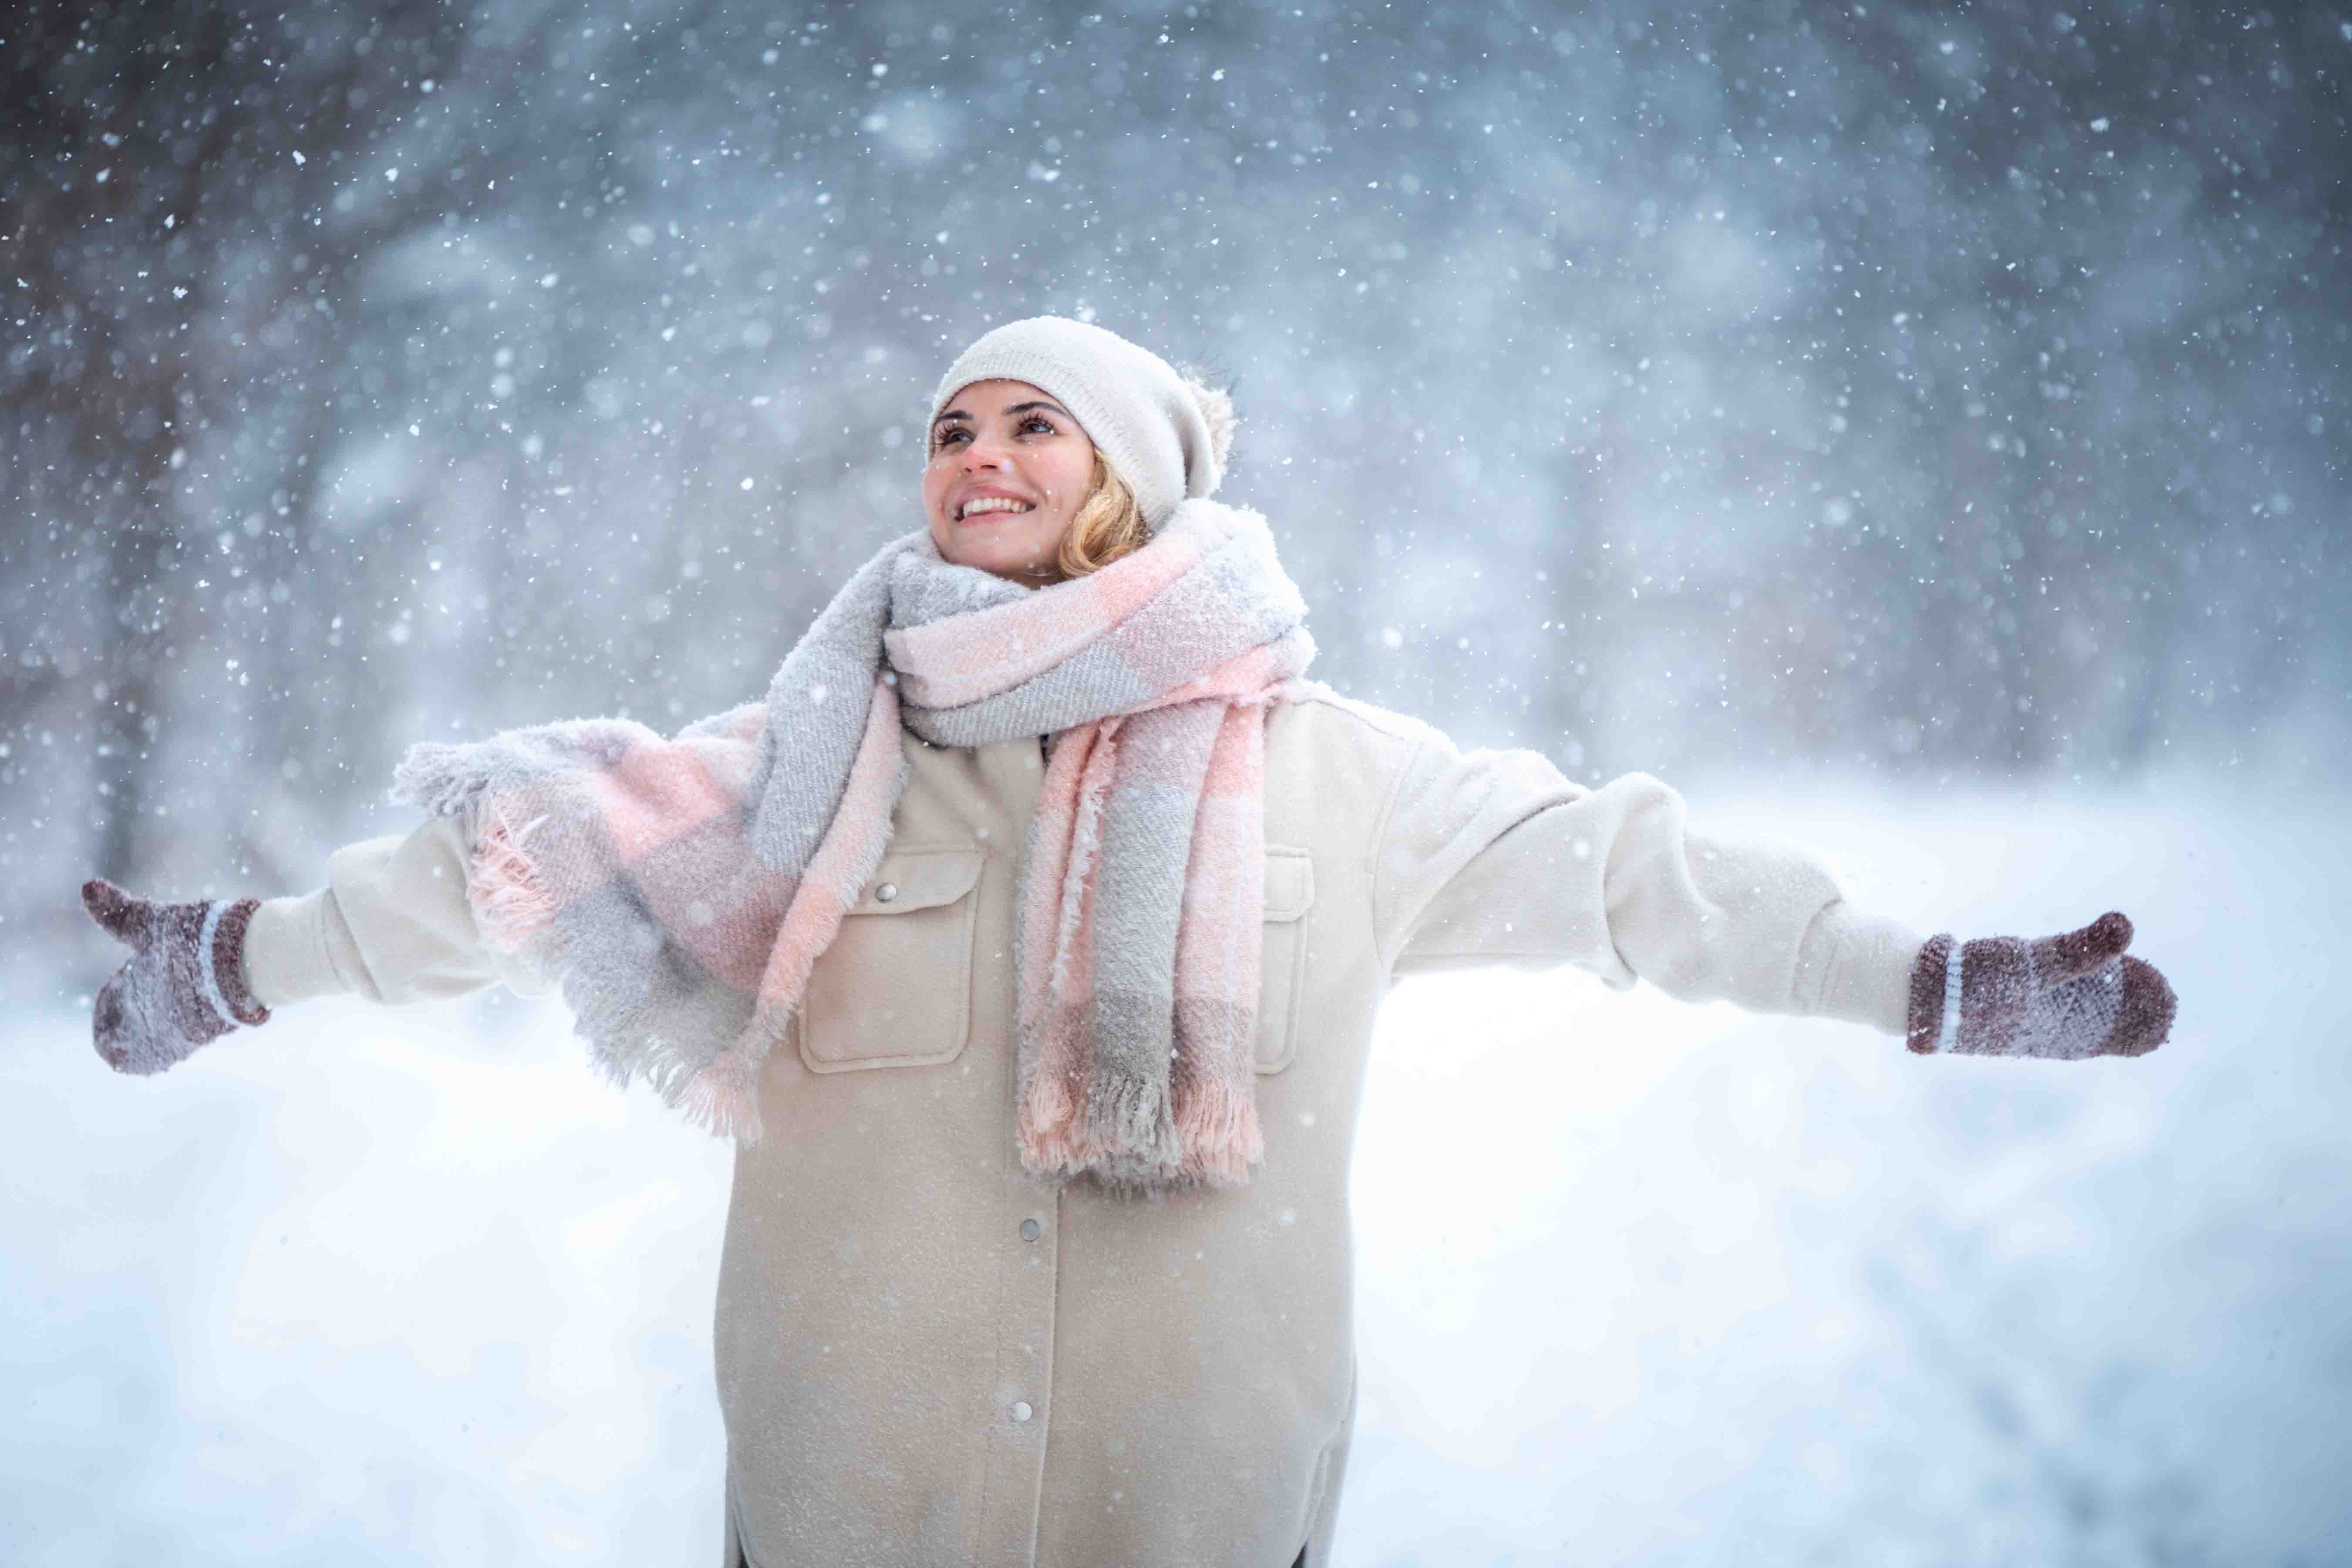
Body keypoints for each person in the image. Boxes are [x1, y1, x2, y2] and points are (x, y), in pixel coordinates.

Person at [81, 316, 2177, 1567]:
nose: (975, 459)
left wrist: (1930, 978)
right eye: (951, 430)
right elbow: (515, 863)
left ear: (1132, 474)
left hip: (1196, 1518)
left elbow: (1638, 878)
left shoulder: (1333, 777)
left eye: (1031, 426)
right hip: (848, 1515)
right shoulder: (809, 762)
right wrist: (240, 959)